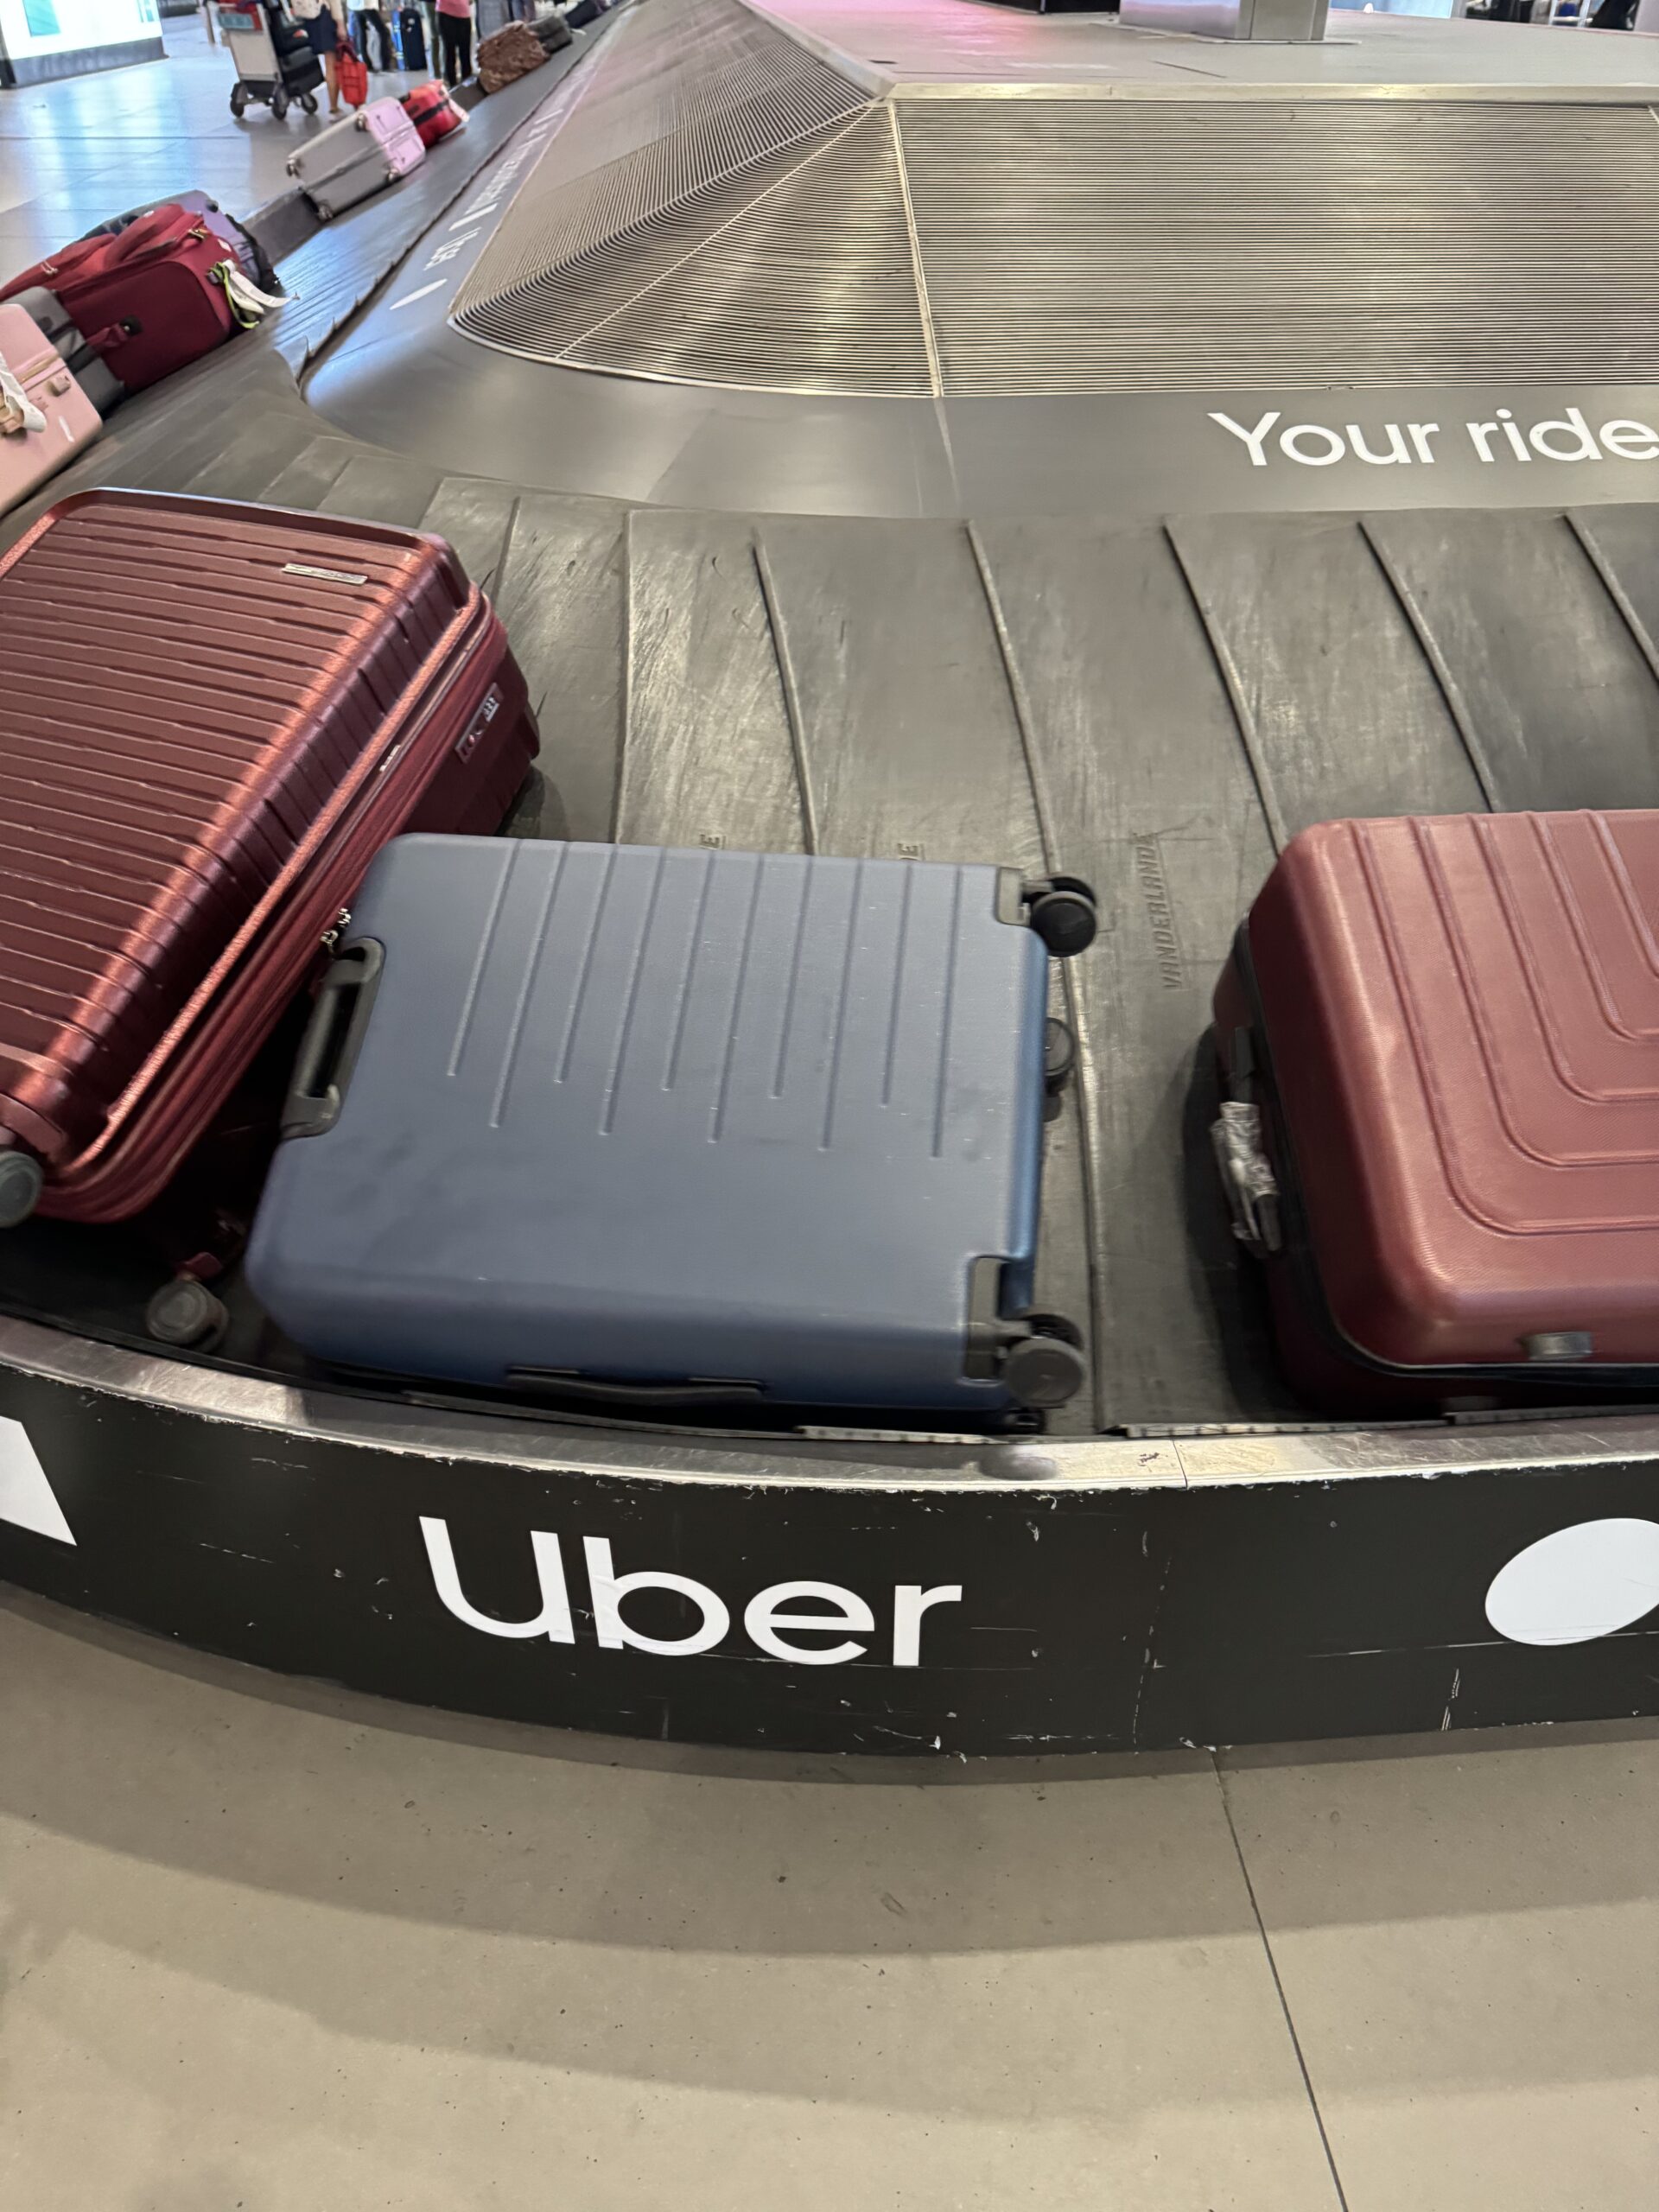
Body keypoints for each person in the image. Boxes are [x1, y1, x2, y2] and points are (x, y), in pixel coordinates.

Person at [292, 0, 349, 111]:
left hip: (308, 17)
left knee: (327, 62)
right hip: (324, 15)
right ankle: (333, 106)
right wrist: (341, 24)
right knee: (331, 62)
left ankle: (333, 104)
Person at [435, 0, 472, 86]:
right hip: (445, 13)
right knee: (450, 53)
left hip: (464, 13)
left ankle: (468, 86)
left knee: (465, 54)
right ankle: (452, 86)